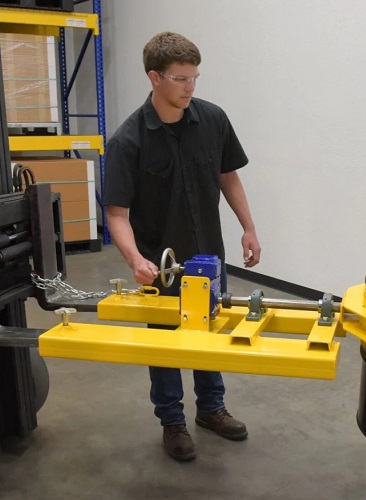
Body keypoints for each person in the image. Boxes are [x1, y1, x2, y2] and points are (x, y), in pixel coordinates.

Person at [102, 32, 261, 462]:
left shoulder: (213, 120)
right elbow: (116, 213)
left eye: (194, 77)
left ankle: (211, 409)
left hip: (209, 255)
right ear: (154, 78)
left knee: (208, 333)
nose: (191, 87)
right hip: (162, 266)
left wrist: (248, 227)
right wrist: (135, 260)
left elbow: (228, 177)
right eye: (180, 78)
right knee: (167, 344)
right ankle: (172, 421)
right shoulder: (128, 141)